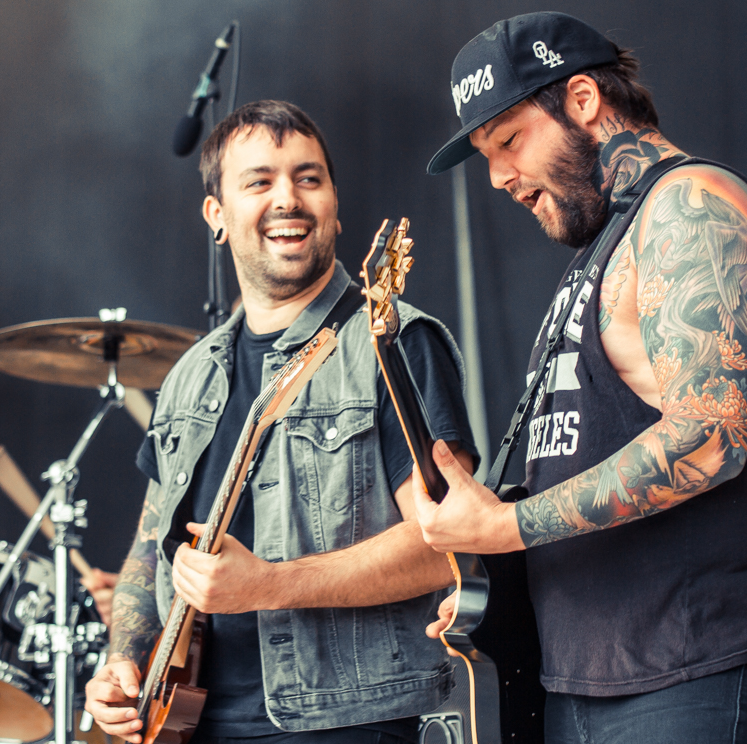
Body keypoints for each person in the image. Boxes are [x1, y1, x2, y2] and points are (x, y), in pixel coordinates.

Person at [414, 12, 747, 743]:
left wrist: (505, 527)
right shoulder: (608, 242)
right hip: (584, 681)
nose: (500, 177)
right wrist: (495, 585)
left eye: (509, 141)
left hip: (702, 665)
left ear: (582, 100)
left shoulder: (691, 207)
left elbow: (707, 439)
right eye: (486, 155)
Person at [85, 100, 477, 744]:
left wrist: (267, 585)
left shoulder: (392, 340)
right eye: (259, 181)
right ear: (216, 215)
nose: (288, 198)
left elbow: (449, 547)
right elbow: (149, 549)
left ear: (334, 205)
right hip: (188, 724)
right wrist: (123, 662)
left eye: (308, 178)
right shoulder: (189, 375)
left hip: (348, 722)